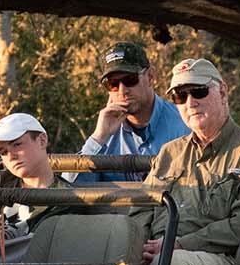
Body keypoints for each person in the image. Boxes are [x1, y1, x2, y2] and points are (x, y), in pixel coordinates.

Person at [136, 58, 240, 265]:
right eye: (180, 96)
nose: (190, 103)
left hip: (221, 258)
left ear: (222, 92)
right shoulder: (170, 153)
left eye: (199, 91)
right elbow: (141, 210)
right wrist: (137, 248)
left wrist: (178, 244)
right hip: (159, 254)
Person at [77, 40, 192, 182]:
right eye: (112, 84)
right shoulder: (105, 134)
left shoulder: (186, 124)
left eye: (130, 79)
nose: (122, 90)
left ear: (150, 77)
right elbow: (68, 194)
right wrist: (99, 137)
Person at [0, 112, 77, 249]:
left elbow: (39, 252)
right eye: (3, 152)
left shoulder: (66, 196)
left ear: (42, 140)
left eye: (17, 144)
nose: (10, 156)